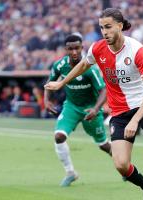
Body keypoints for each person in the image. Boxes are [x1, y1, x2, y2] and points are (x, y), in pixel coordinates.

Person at [45, 8, 143, 200]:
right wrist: (62, 82)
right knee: (121, 165)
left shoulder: (136, 50)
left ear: (120, 26)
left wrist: (135, 121)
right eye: (102, 27)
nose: (104, 32)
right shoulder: (98, 48)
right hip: (119, 112)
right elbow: (85, 64)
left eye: (108, 27)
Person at [44, 34, 111, 187]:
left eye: (77, 48)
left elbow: (103, 90)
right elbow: (50, 82)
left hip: (90, 110)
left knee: (104, 145)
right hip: (71, 107)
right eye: (70, 49)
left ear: (82, 48)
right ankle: (70, 173)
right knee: (59, 137)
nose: (74, 52)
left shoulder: (89, 68)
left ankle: (124, 167)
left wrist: (96, 108)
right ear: (65, 49)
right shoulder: (60, 65)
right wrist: (46, 100)